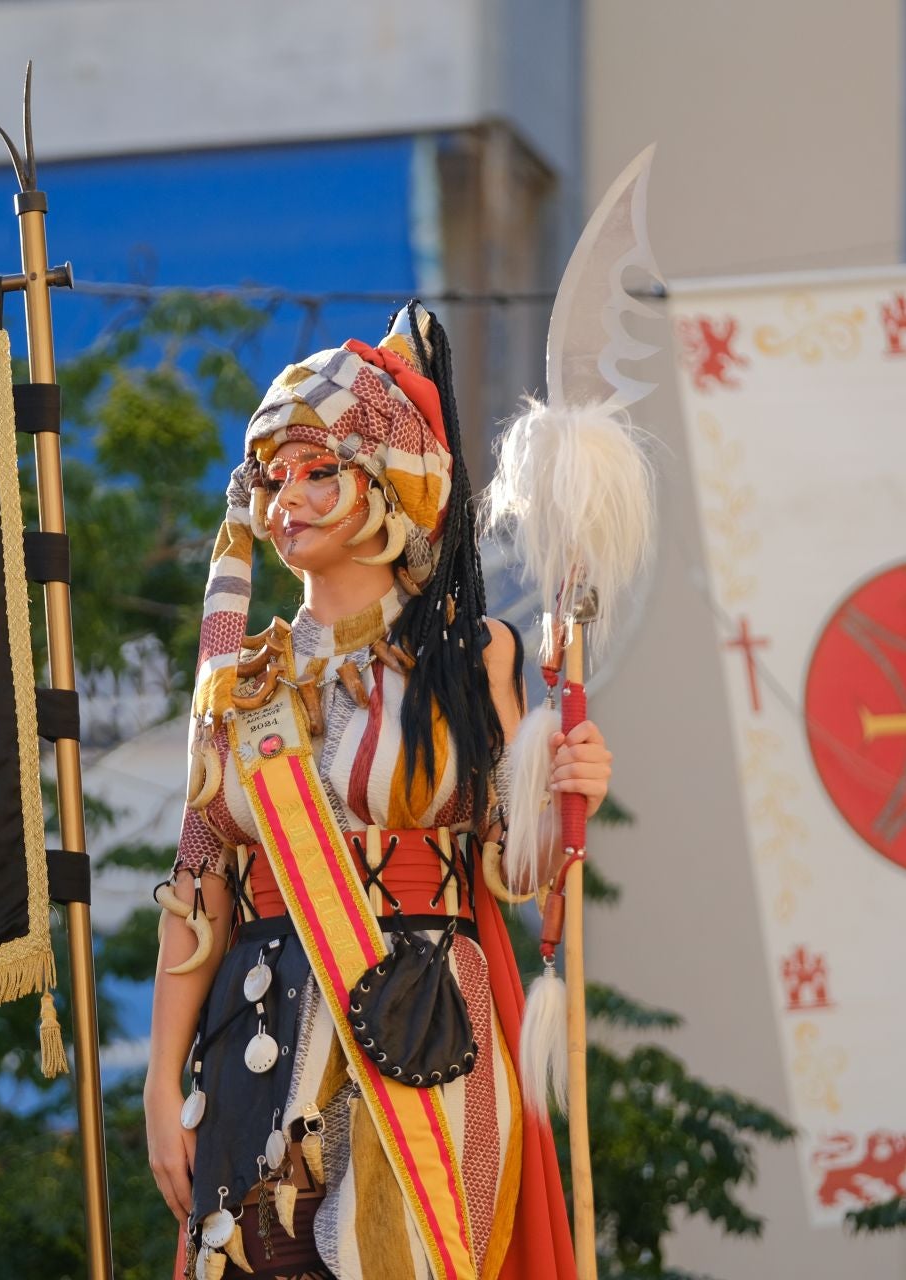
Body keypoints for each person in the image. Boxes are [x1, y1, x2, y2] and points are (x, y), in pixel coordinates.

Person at [145, 302, 612, 1280]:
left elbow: (510, 867)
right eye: (274, 478)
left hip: (425, 1021)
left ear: (390, 482)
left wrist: (568, 795)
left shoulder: (473, 657)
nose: (288, 500)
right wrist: (159, 1081)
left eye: (319, 471)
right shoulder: (241, 683)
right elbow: (201, 881)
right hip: (258, 1024)